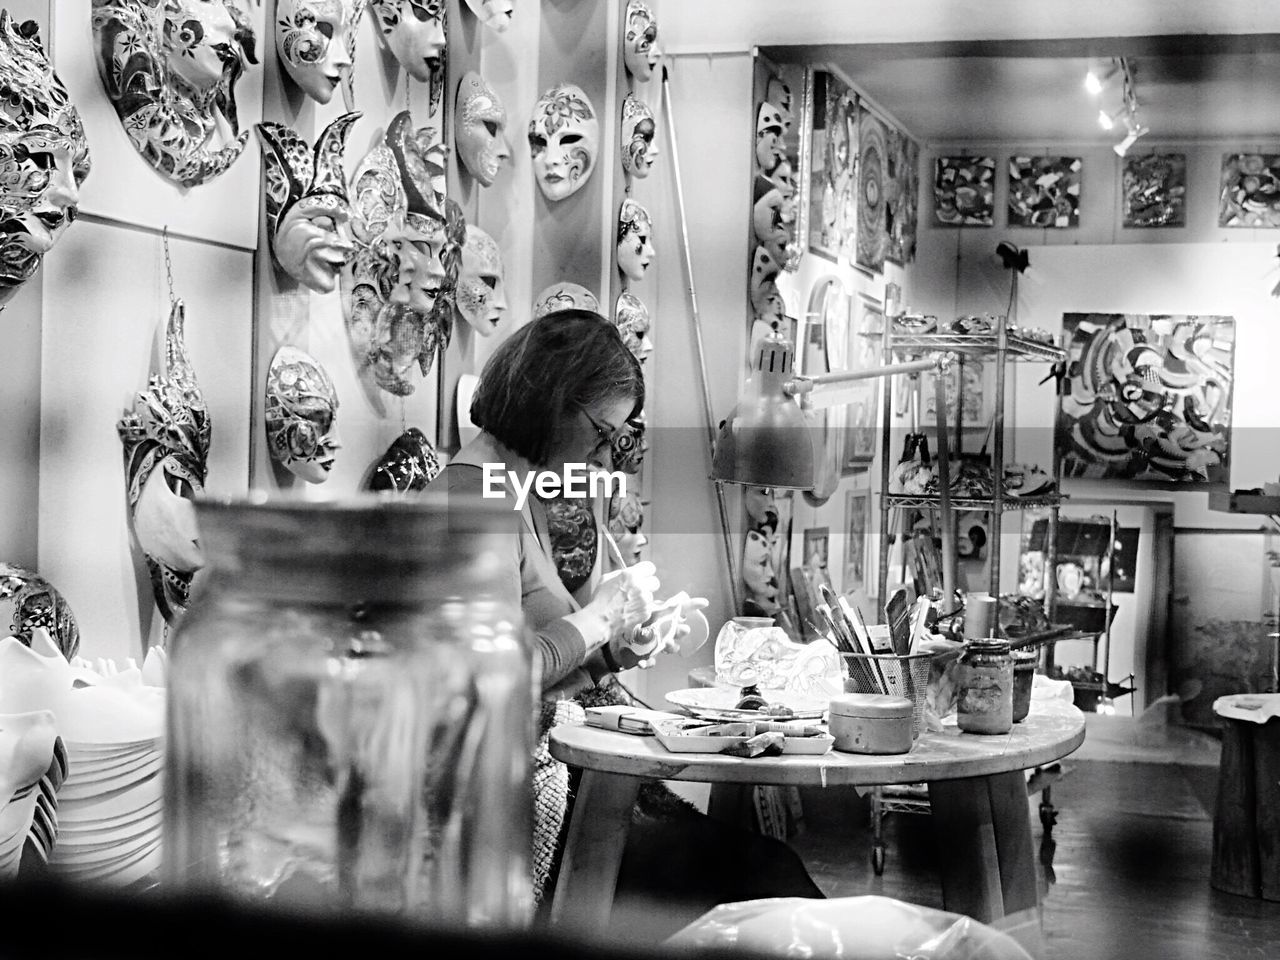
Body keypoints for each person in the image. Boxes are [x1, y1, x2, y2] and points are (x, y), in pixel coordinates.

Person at [431, 310, 823, 933]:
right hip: (509, 802)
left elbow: (540, 655)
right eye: (598, 430)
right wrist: (594, 619)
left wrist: (615, 649)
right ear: (551, 397)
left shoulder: (509, 491)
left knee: (768, 876)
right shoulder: (472, 499)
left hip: (559, 761)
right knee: (767, 880)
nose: (601, 451)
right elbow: (494, 674)